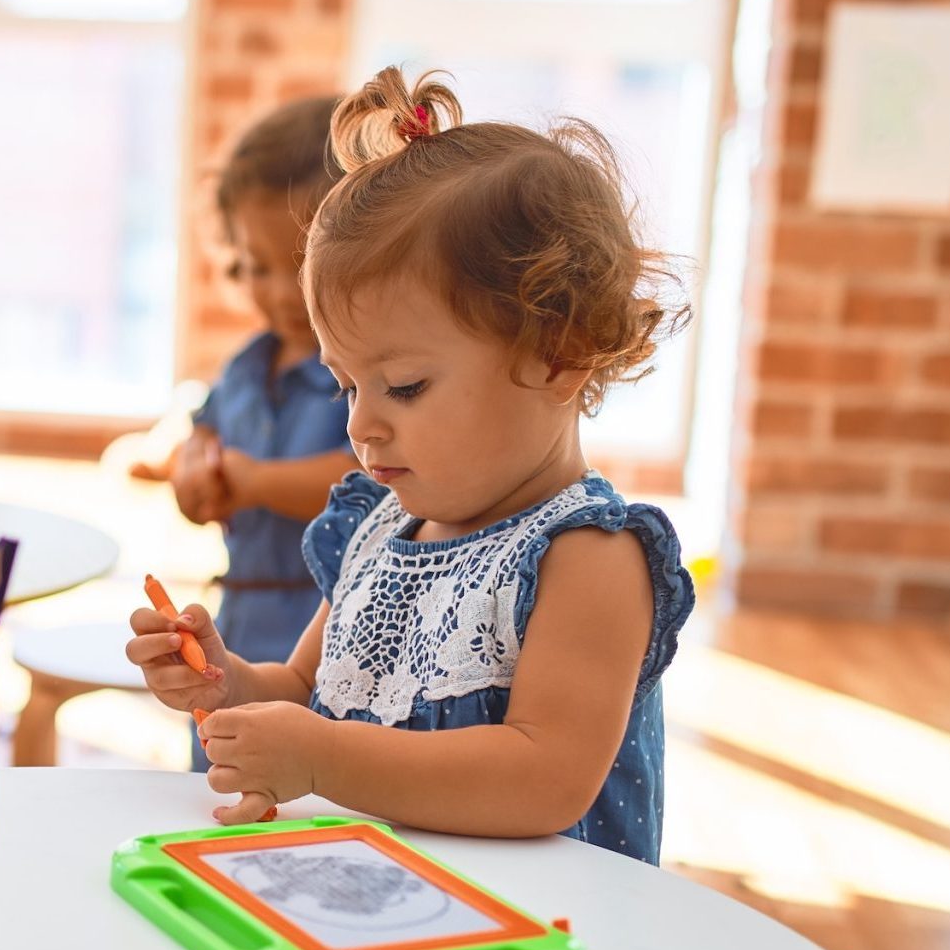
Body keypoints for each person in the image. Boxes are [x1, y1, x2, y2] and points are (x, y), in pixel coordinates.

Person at [127, 68, 696, 863]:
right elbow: (306, 693)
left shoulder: (589, 556)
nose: (361, 424)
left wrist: (321, 759)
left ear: (558, 357)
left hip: (539, 945)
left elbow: (544, 777)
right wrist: (225, 682)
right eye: (346, 385)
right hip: (391, 920)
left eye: (403, 386)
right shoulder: (379, 529)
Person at [12, 95, 355, 770]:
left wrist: (252, 481)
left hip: (320, 627)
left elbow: (364, 480)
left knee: (304, 784)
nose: (279, 291)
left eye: (297, 264)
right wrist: (193, 479)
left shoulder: (359, 371)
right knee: (219, 768)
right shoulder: (245, 368)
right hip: (241, 613)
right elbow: (198, 448)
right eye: (256, 266)